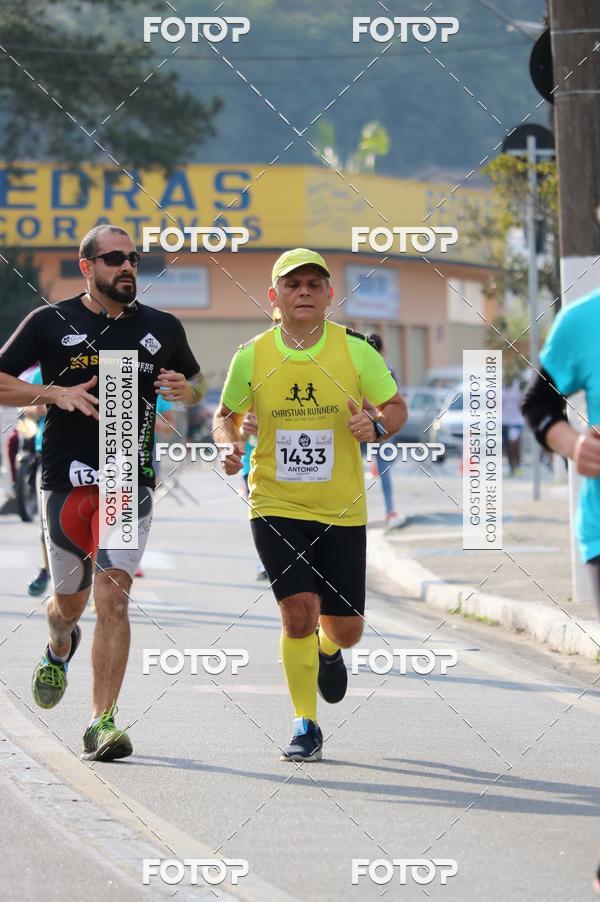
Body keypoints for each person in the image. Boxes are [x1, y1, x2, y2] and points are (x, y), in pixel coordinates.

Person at [0, 224, 204, 762]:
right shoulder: (50, 322)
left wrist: (188, 390)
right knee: (69, 601)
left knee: (113, 594)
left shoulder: (162, 326)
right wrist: (54, 392)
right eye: (114, 258)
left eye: (134, 258)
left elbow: (197, 382)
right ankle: (58, 643)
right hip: (66, 481)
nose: (127, 267)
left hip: (126, 481)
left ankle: (102, 722)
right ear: (87, 266)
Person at [213, 248, 407, 762]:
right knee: (297, 613)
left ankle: (328, 652)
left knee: (345, 629)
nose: (304, 291)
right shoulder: (251, 355)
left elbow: (396, 407)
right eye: (292, 284)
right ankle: (305, 724)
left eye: (314, 284)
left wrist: (378, 425)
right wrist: (229, 443)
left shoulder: (356, 352)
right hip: (274, 502)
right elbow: (225, 415)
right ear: (273, 297)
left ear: (328, 296)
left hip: (341, 507)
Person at [366, 333, 404, 526]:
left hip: (361, 423)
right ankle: (390, 510)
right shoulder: (388, 369)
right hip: (381, 424)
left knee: (351, 469)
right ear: (383, 349)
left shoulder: (360, 366)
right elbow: (396, 402)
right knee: (385, 468)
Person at [502, 370, 524, 476]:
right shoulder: (500, 387)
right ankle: (511, 466)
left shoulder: (518, 385)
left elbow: (523, 401)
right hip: (504, 421)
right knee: (507, 445)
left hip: (516, 421)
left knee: (514, 444)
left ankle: (518, 465)